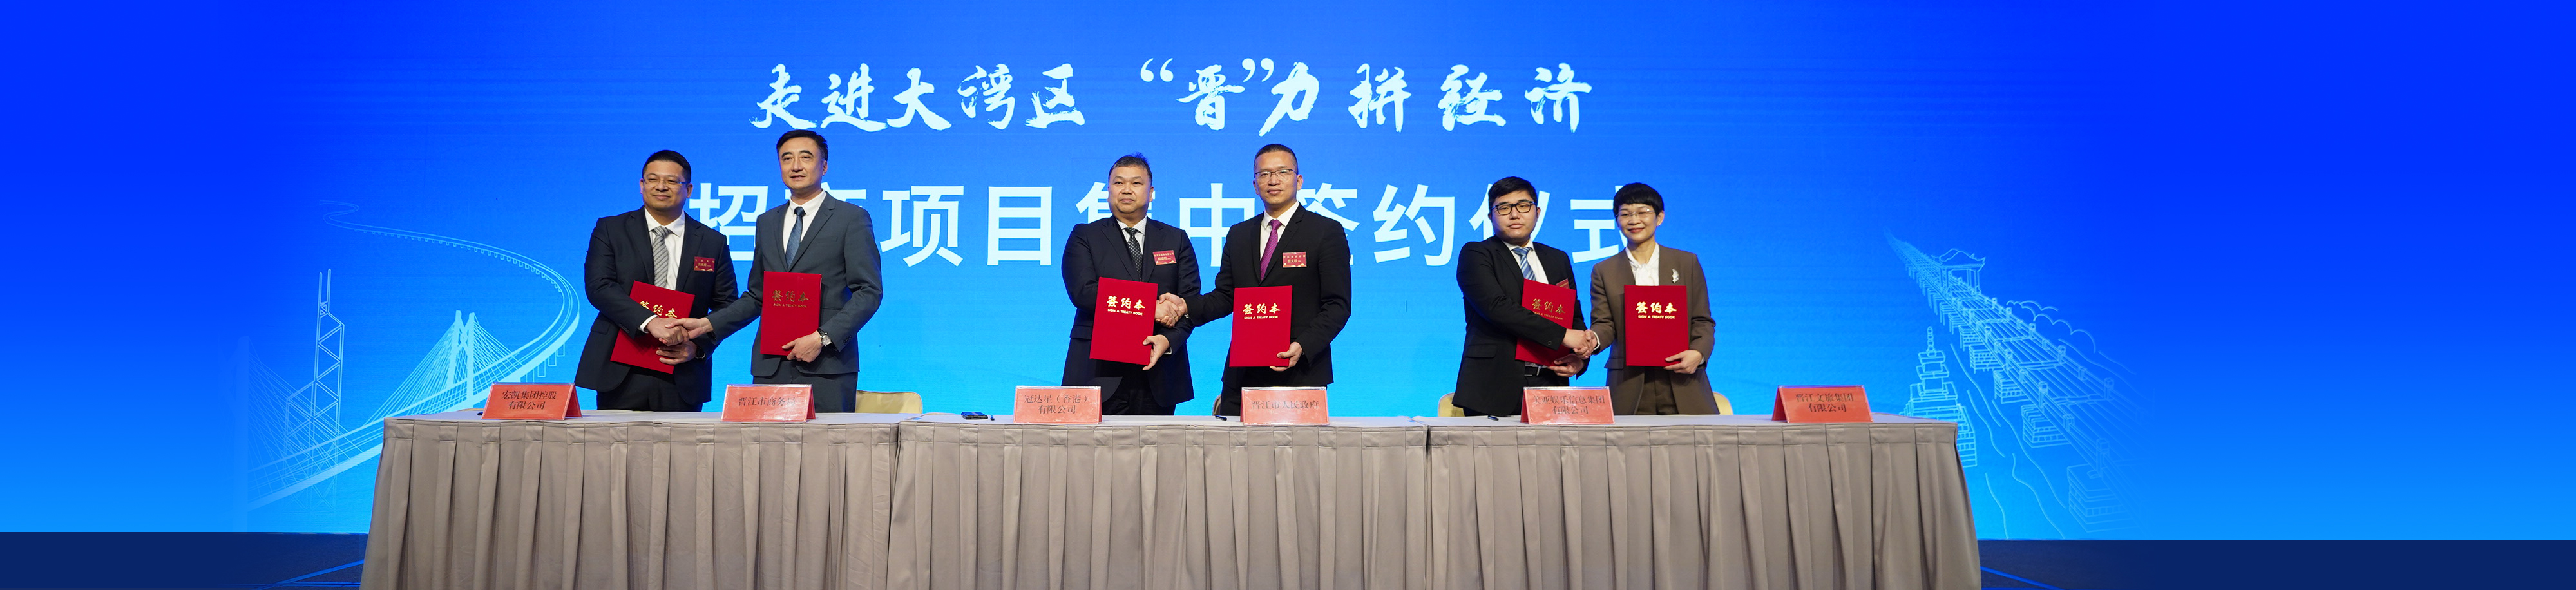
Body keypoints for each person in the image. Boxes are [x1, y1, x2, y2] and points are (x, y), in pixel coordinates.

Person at [688, 129, 884, 412]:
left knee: (826, 441)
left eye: (806, 157)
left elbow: (869, 292)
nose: (796, 166)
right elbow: (757, 295)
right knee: (768, 441)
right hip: (771, 363)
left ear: (824, 166)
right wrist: (708, 324)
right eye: (787, 158)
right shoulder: (767, 221)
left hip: (826, 364)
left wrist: (822, 338)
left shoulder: (851, 218)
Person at [1161, 144, 1352, 415]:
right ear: (1255, 185)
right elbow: (1226, 296)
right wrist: (1185, 306)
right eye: (1264, 174)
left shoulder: (1325, 231)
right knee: (1231, 443)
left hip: (1300, 372)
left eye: (1282, 172)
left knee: (1296, 446)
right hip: (1242, 374)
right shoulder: (1239, 234)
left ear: (1299, 180)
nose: (1273, 180)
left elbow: (1337, 305)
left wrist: (1303, 345)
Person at [573, 150, 739, 411]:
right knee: (616, 439)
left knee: (681, 440)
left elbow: (727, 305)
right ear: (642, 185)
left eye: (672, 181)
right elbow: (599, 286)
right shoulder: (611, 229)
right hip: (621, 365)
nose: (661, 186)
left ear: (689, 189)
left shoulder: (712, 241)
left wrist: (698, 348)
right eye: (653, 179)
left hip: (681, 368)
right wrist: (651, 322)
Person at [1060, 153, 1200, 415]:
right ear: (1108, 190)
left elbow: (1190, 301)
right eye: (1118, 183)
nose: (1126, 190)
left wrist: (1167, 340)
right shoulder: (1085, 236)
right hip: (1099, 370)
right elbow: (1084, 293)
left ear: (1151, 192)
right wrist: (1150, 308)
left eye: (1136, 183)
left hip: (1158, 372)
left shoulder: (1176, 238)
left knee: (1157, 444)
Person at [1450, 176, 1594, 416]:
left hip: (1551, 383)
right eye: (1504, 208)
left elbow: (1573, 315)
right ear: (1491, 216)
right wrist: (1563, 336)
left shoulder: (1557, 259)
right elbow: (1497, 307)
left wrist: (1579, 358)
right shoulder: (1477, 253)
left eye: (1523, 206)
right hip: (1493, 386)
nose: (1515, 214)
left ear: (1537, 212)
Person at [1585, 183, 1722, 415]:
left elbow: (1702, 320)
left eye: (1643, 212)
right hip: (1629, 382)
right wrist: (1593, 340)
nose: (1634, 220)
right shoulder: (1604, 271)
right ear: (1617, 220)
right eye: (1625, 214)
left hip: (1682, 378)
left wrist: (1698, 354)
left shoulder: (1686, 262)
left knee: (1693, 439)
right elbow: (1605, 324)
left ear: (1659, 217)